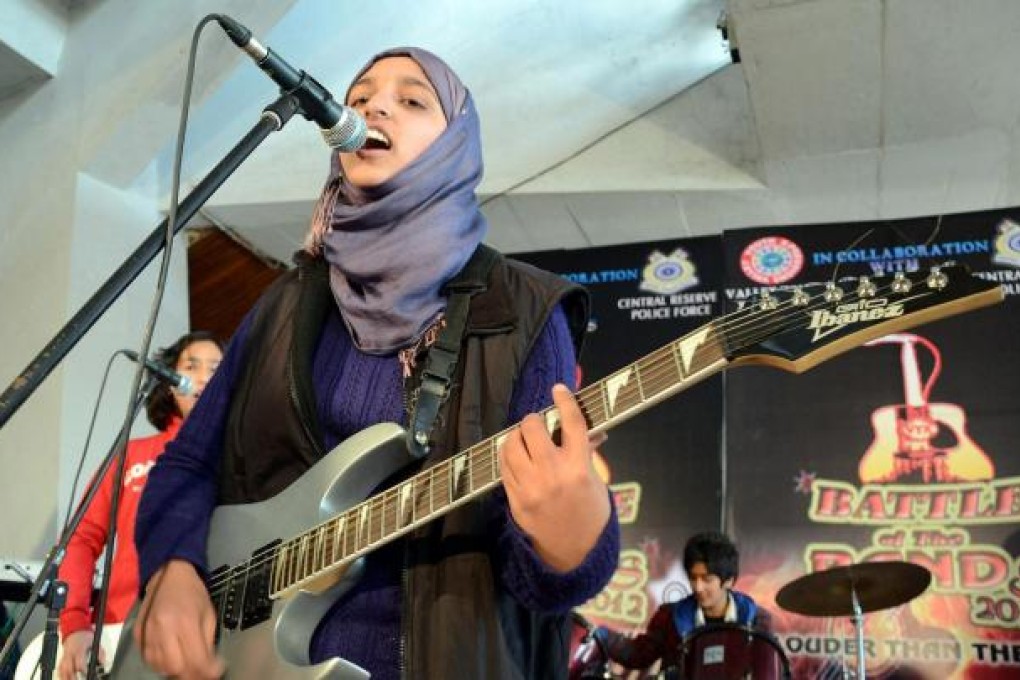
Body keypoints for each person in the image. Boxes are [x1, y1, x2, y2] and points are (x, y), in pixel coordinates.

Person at [132, 47, 619, 680]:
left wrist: (570, 538)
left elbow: (534, 591)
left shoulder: (524, 309)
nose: (373, 108)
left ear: (457, 145)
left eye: (412, 100)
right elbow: (191, 461)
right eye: (359, 98)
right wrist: (173, 567)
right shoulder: (287, 301)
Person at [54, 332, 223, 680]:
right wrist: (74, 625)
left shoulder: (239, 456)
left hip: (200, 639)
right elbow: (80, 540)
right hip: (113, 638)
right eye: (191, 367)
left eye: (215, 369)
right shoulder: (132, 454)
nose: (204, 378)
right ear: (170, 383)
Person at [596, 531, 772, 673]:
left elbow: (767, 670)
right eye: (693, 578)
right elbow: (638, 655)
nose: (698, 587)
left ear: (729, 581)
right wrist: (601, 636)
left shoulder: (757, 620)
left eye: (707, 579)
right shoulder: (668, 617)